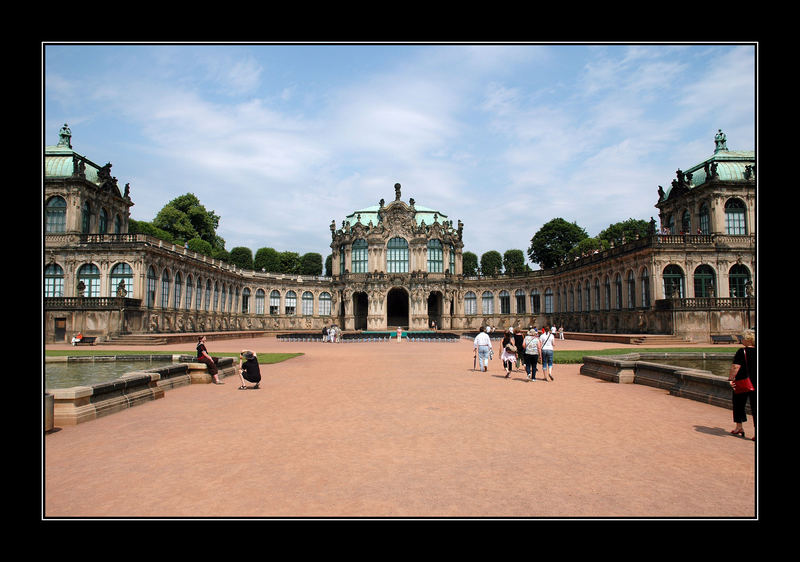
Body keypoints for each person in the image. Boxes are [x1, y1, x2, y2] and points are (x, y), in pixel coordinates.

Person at [728, 329, 756, 441]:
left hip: (742, 382)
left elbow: (735, 367)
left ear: (748, 340)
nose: (742, 340)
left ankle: (739, 427)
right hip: (756, 382)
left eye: (743, 338)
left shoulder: (742, 351)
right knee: (756, 407)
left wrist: (731, 379)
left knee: (738, 403)